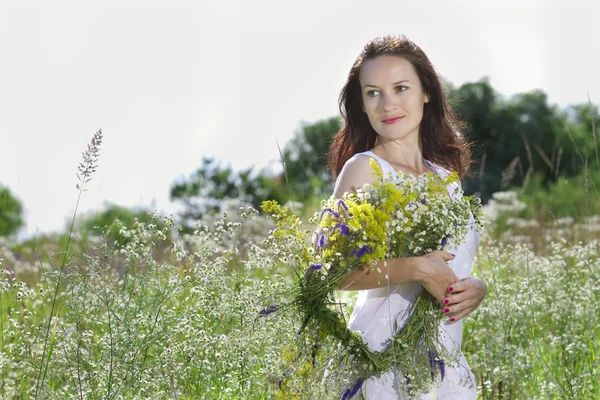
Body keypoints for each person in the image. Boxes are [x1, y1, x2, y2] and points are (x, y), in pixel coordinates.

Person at [328, 34, 487, 399]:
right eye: (373, 92)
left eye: (400, 87)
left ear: (426, 92)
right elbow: (331, 272)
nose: (388, 104)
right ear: (362, 104)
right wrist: (416, 268)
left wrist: (477, 288)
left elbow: (456, 264)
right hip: (381, 364)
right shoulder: (364, 170)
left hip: (443, 365)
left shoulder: (445, 177)